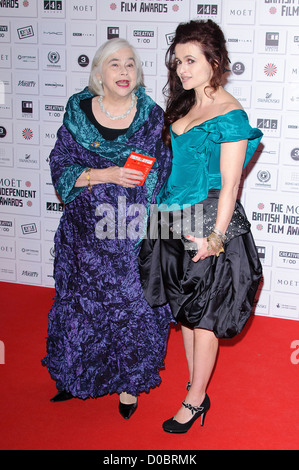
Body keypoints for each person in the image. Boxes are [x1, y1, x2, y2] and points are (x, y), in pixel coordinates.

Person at [138, 19, 263, 433]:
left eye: (191, 61)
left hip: (208, 225)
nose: (182, 70)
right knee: (187, 315)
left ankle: (194, 401)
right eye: (177, 62)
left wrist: (216, 238)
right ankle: (197, 386)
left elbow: (230, 187)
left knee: (204, 316)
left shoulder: (230, 114)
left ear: (215, 61)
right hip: (172, 220)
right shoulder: (186, 103)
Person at [41, 38, 173, 420]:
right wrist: (108, 174)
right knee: (79, 305)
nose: (124, 71)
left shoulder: (151, 116)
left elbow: (158, 174)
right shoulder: (78, 110)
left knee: (131, 308)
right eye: (114, 64)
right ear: (99, 72)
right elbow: (60, 162)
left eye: (130, 64)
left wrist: (148, 228)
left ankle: (129, 385)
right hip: (82, 234)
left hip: (128, 234)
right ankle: (75, 375)